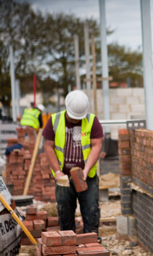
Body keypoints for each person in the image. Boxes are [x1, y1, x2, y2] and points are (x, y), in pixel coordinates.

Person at [43, 90, 103, 238]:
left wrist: (86, 170)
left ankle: (91, 244)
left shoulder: (92, 120)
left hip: (87, 177)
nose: (76, 120)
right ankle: (67, 245)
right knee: (65, 213)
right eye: (73, 117)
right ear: (66, 107)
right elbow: (48, 146)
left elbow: (97, 146)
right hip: (64, 178)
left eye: (79, 117)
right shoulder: (54, 120)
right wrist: (57, 171)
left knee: (91, 211)